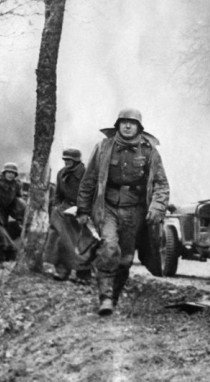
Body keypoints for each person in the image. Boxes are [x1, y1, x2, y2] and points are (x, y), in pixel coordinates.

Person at [76, 108, 170, 315]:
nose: (127, 126)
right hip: (107, 206)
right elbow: (89, 180)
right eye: (124, 122)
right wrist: (83, 209)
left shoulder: (149, 151)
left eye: (132, 123)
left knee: (126, 259)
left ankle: (114, 296)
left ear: (139, 127)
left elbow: (161, 184)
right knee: (109, 248)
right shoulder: (103, 148)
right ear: (117, 125)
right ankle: (105, 298)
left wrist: (157, 206)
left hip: (135, 210)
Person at [44, 148, 92, 282]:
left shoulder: (87, 174)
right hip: (65, 209)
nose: (66, 162)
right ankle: (62, 271)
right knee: (60, 240)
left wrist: (84, 211)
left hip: (83, 210)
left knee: (83, 242)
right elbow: (58, 194)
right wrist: (59, 206)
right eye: (65, 160)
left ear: (76, 161)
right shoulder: (61, 174)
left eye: (69, 160)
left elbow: (93, 195)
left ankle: (83, 274)